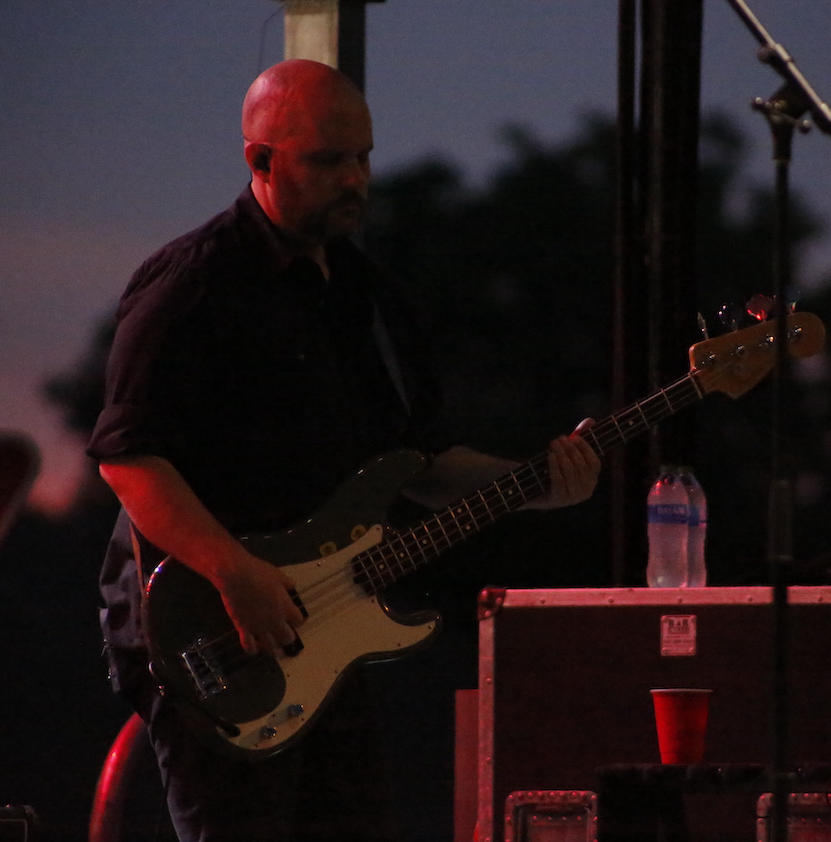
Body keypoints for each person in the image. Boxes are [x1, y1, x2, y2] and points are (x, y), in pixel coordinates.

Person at [87, 59, 600, 841]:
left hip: (325, 630)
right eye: (329, 160)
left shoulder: (372, 298)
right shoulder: (194, 284)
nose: (354, 177)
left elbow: (419, 465)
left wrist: (533, 482)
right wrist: (235, 572)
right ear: (260, 160)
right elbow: (128, 458)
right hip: (210, 625)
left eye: (363, 157)